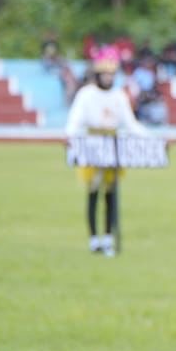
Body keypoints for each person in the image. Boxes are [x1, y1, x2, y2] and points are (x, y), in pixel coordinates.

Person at [65, 51, 148, 257]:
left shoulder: (119, 95)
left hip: (113, 146)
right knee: (93, 191)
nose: (108, 78)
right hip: (93, 146)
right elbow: (75, 120)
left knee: (111, 194)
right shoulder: (86, 94)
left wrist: (152, 139)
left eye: (111, 74)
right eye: (105, 74)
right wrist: (70, 137)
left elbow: (131, 124)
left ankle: (109, 237)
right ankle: (94, 239)